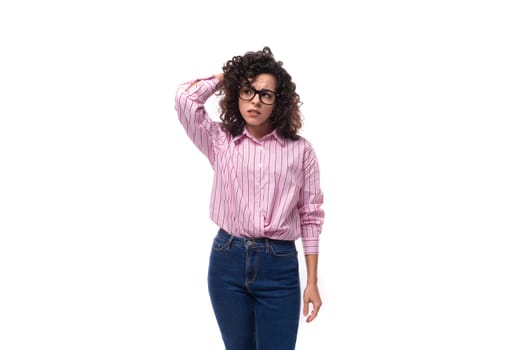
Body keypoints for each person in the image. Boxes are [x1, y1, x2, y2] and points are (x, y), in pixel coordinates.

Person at [174, 46, 325, 350]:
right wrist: (228, 74)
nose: (255, 100)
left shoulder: (301, 151)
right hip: (227, 261)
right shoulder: (220, 141)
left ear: (278, 102)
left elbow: (311, 214)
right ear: (236, 93)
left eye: (265, 94)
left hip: (279, 266)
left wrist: (312, 281)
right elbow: (184, 99)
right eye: (247, 90)